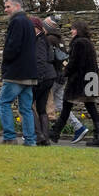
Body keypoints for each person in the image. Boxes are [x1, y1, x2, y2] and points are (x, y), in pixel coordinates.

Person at [50, 20, 99, 147]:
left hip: (80, 79)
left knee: (67, 105)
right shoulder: (88, 43)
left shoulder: (79, 43)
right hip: (90, 78)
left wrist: (64, 72)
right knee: (90, 107)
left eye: (73, 29)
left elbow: (74, 63)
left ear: (79, 30)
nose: (71, 31)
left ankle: (55, 133)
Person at [0, 0, 37, 146]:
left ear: (17, 6)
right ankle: (30, 140)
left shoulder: (16, 22)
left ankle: (9, 137)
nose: (6, 10)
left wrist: (6, 59)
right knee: (26, 108)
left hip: (16, 72)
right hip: (29, 72)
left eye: (8, 6)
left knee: (3, 103)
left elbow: (12, 47)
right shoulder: (28, 22)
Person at [44, 17, 87, 144]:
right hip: (61, 76)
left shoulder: (49, 39)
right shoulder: (60, 39)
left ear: (47, 27)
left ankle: (40, 132)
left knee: (43, 104)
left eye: (43, 26)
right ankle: (78, 127)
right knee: (60, 105)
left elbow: (48, 58)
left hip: (51, 76)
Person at [31, 17, 59, 146]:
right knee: (42, 108)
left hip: (42, 78)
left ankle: (39, 135)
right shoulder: (44, 39)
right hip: (49, 76)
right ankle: (45, 138)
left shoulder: (39, 40)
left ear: (36, 27)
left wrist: (38, 78)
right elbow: (51, 57)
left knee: (27, 106)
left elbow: (40, 60)